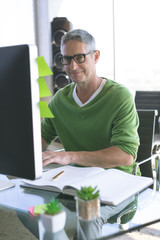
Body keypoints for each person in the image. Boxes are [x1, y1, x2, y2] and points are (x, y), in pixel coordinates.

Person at [41, 29, 140, 175]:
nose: (73, 66)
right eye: (67, 59)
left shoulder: (119, 96)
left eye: (80, 57)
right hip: (76, 180)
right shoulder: (59, 100)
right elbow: (41, 139)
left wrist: (69, 156)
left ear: (96, 56)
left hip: (119, 180)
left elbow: (125, 156)